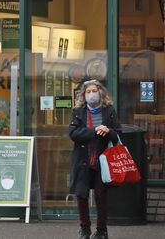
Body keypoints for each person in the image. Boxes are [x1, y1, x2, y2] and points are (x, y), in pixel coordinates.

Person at [69, 79, 121, 239]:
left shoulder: (109, 110)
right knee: (82, 194)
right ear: (84, 95)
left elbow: (118, 132)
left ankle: (101, 230)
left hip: (103, 159)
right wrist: (94, 131)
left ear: (100, 92)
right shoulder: (78, 111)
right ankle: (84, 228)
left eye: (94, 91)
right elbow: (73, 134)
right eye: (88, 91)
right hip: (83, 159)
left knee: (100, 194)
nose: (91, 94)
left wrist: (108, 130)